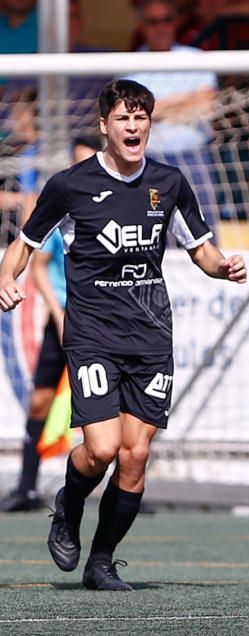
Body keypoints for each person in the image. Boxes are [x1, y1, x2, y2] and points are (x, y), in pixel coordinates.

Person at [0, 79, 247, 591]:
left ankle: (102, 561)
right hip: (91, 333)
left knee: (136, 455)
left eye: (142, 118)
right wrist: (6, 278)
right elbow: (25, 243)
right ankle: (68, 502)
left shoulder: (171, 182)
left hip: (152, 334)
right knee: (102, 448)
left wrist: (224, 268)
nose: (133, 127)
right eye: (124, 119)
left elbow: (201, 250)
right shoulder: (71, 185)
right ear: (105, 126)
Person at [0, 135, 101, 513]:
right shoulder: (64, 208)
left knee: (120, 408)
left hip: (103, 324)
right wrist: (59, 315)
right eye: (77, 162)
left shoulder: (120, 207)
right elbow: (38, 266)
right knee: (41, 399)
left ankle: (126, 486)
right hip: (63, 320)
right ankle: (27, 486)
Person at [123, 0, 222, 223]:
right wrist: (185, 101)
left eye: (167, 20)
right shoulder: (128, 66)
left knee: (203, 232)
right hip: (148, 162)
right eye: (153, 21)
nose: (161, 27)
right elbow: (131, 115)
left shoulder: (195, 58)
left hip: (194, 159)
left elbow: (205, 105)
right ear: (142, 26)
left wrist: (154, 108)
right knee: (153, 235)